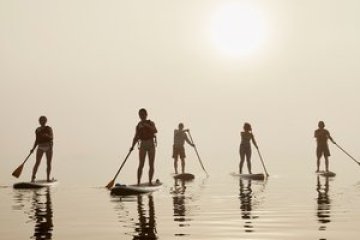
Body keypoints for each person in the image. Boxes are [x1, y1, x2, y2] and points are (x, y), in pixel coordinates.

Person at [130, 108, 157, 185]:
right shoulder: (138, 125)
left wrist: (146, 125)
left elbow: (155, 130)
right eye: (140, 115)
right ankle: (138, 182)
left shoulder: (151, 123)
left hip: (151, 144)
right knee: (141, 164)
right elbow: (136, 137)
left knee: (151, 164)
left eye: (143, 114)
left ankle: (150, 182)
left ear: (146, 114)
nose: (141, 116)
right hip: (143, 145)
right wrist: (132, 146)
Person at [30, 116, 54, 182]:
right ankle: (33, 177)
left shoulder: (49, 128)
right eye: (40, 120)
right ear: (39, 121)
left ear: (45, 121)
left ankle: (48, 178)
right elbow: (37, 140)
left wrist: (46, 135)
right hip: (40, 147)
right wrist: (33, 149)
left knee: (48, 163)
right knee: (37, 162)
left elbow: (51, 137)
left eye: (43, 120)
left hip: (48, 147)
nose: (42, 122)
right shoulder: (37, 130)